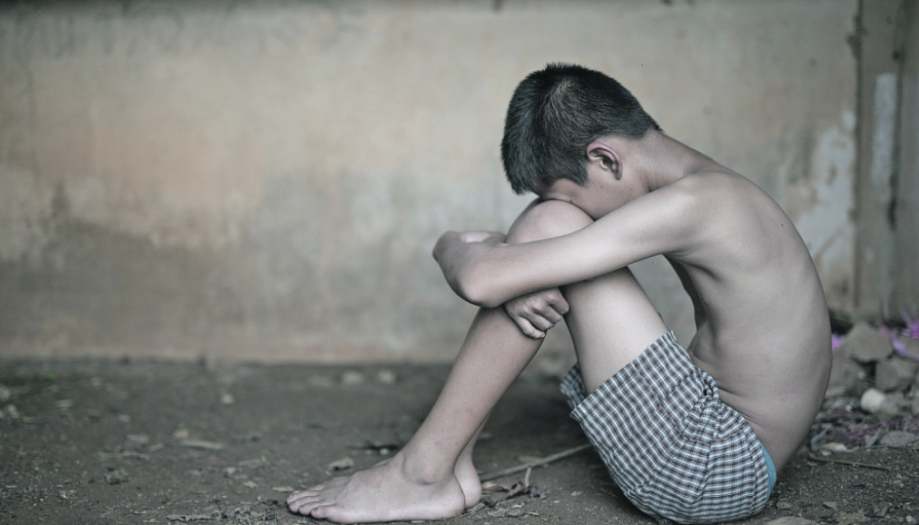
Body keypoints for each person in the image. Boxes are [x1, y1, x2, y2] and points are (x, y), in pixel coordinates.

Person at [286, 63, 832, 524]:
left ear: (606, 159)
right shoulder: (715, 190)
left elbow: (480, 280)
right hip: (729, 452)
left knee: (546, 226)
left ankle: (423, 473)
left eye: (573, 195)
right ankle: (443, 468)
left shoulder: (698, 205)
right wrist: (506, 266)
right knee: (539, 240)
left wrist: (451, 245)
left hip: (715, 468)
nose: (574, 210)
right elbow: (497, 274)